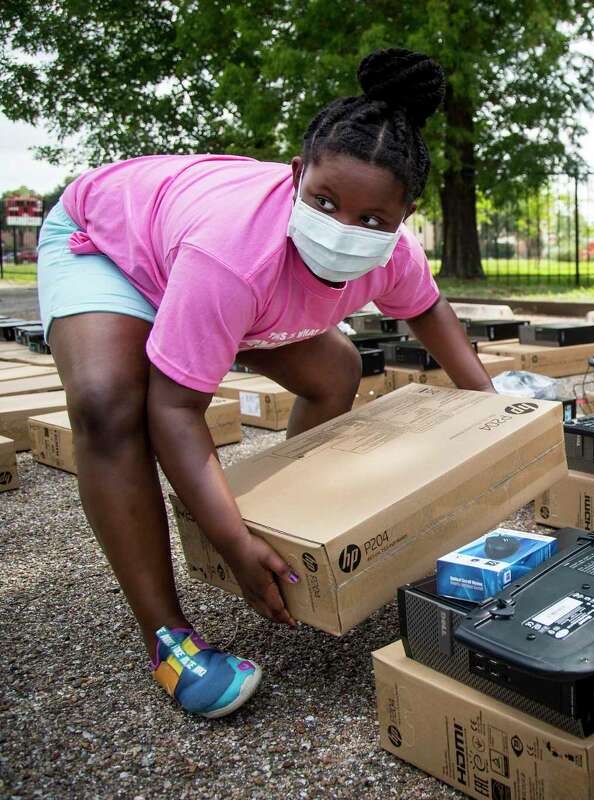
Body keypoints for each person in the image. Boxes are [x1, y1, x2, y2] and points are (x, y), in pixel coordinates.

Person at [35, 47, 491, 718]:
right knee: (110, 405)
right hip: (110, 245)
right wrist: (230, 541)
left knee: (335, 370)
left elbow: (428, 310)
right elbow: (177, 410)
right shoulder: (233, 253)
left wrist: (497, 412)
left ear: (405, 215)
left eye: (371, 219)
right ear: (297, 175)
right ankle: (168, 637)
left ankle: (291, 527)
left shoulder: (390, 256)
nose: (343, 229)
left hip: (198, 261)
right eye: (325, 202)